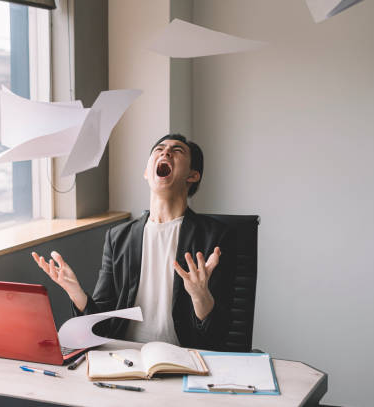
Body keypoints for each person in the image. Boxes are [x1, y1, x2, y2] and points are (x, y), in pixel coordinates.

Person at [31, 134, 234, 350]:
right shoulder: (118, 238)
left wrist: (200, 296)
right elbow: (102, 325)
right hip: (125, 357)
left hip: (184, 359)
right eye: (159, 149)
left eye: (177, 151)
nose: (166, 152)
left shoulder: (215, 238)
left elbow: (218, 337)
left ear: (193, 175)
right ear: (147, 172)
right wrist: (76, 293)